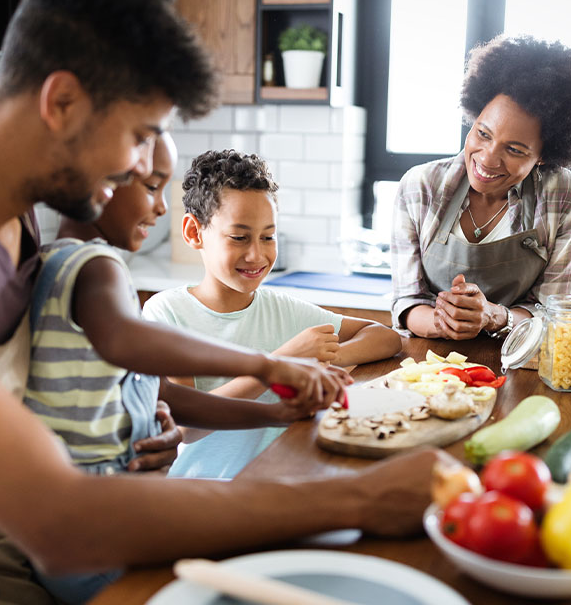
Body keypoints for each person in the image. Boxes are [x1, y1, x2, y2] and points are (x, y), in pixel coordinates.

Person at [0, 0, 437, 604]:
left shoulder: (13, 223)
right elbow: (58, 520)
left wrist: (139, 422)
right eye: (138, 136)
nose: (141, 168)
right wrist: (361, 498)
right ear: (63, 102)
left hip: (19, 555)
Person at [26, 135, 348, 603]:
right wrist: (265, 365)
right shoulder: (95, 264)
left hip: (95, 518)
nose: (160, 209)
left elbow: (168, 397)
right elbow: (128, 341)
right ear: (103, 183)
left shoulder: (68, 261)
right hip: (99, 524)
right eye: (154, 187)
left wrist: (274, 414)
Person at [143, 149, 404, 479]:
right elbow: (187, 425)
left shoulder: (281, 309)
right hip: (207, 492)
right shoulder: (166, 312)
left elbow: (384, 337)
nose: (256, 254)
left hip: (284, 478)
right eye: (239, 237)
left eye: (268, 236)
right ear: (195, 232)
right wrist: (282, 364)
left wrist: (314, 365)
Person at [391, 34, 571, 340]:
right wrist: (444, 322)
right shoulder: (420, 186)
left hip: (519, 363)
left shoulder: (564, 196)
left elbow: (549, 313)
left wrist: (493, 317)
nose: (488, 159)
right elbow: (408, 301)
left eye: (515, 150)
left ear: (544, 157)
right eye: (483, 133)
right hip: (429, 366)